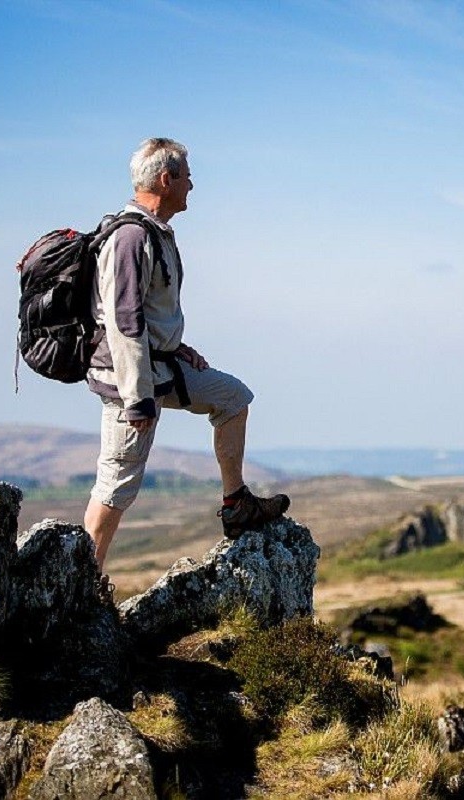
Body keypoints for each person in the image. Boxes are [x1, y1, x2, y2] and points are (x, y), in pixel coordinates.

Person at [83, 137, 289, 572]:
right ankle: (81, 583)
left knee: (233, 397)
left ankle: (236, 505)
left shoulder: (155, 234)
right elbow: (124, 322)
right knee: (116, 485)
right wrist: (137, 397)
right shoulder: (130, 238)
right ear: (166, 179)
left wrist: (177, 346)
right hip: (130, 380)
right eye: (187, 176)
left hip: (162, 365)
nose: (192, 185)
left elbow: (149, 313)